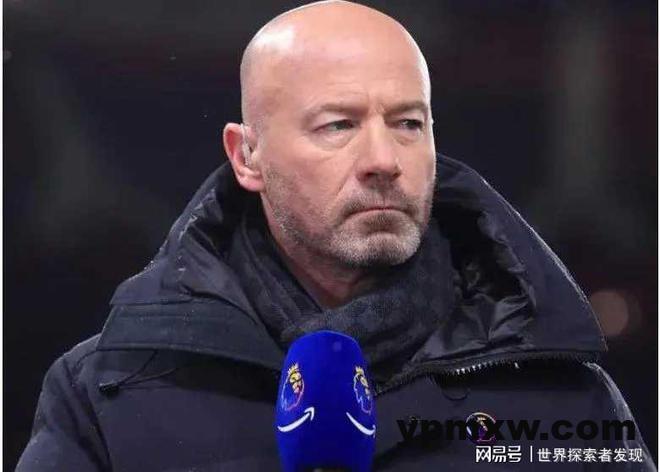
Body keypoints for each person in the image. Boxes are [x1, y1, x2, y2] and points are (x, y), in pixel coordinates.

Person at [17, 1, 655, 470]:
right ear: (247, 157)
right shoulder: (108, 392)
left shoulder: (559, 392)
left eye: (408, 124)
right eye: (338, 125)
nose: (384, 159)